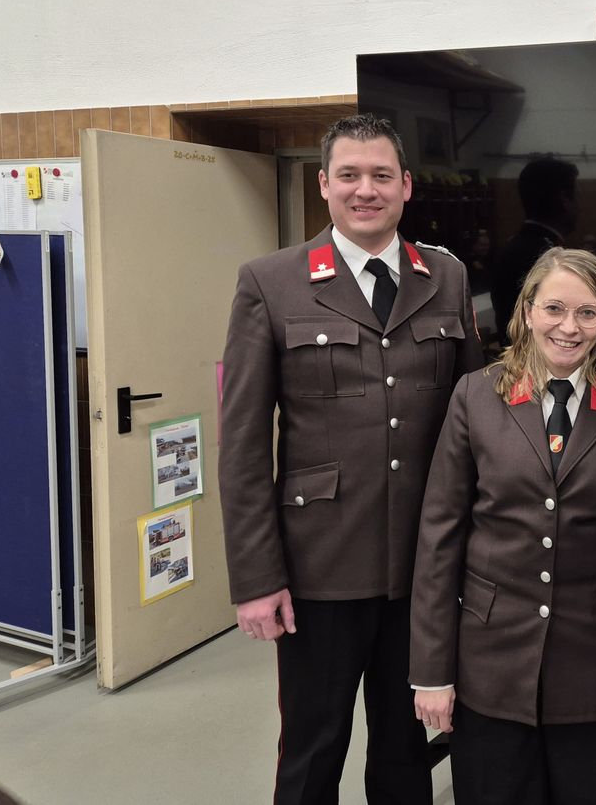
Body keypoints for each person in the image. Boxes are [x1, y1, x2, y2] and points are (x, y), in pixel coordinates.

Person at [219, 113, 483, 804]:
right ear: (324, 185)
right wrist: (255, 578)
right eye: (349, 175)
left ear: (406, 186)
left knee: (408, 748)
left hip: (425, 568)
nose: (365, 190)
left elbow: (476, 422)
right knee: (313, 746)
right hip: (319, 569)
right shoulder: (271, 283)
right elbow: (243, 442)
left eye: (380, 175)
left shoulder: (446, 278)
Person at [410, 247, 596, 805]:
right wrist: (431, 672)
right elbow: (440, 539)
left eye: (588, 312)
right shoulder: (476, 396)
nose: (569, 326)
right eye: (554, 308)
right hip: (490, 668)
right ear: (527, 310)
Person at [491, 157, 579, 344]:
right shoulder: (546, 257)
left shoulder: (512, 247)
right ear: (564, 200)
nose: (578, 207)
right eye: (575, 198)